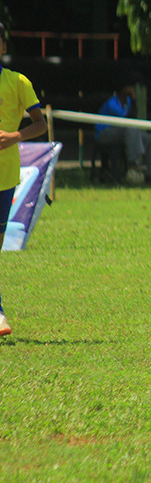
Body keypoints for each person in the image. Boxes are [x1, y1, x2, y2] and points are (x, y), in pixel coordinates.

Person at [0, 21, 47, 337]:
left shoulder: (18, 82)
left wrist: (14, 136)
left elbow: (40, 124)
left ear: (3, 47)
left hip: (4, 176)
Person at [95, 81, 151, 183]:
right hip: (105, 133)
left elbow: (133, 118)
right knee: (130, 128)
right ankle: (134, 163)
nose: (132, 89)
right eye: (130, 87)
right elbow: (127, 119)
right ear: (123, 89)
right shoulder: (112, 103)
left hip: (125, 133)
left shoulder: (129, 102)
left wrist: (133, 101)